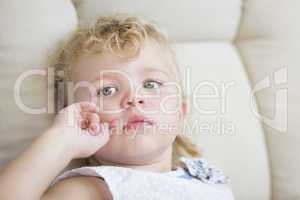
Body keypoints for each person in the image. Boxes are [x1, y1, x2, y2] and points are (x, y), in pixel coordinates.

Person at [0, 14, 234, 200]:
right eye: (107, 90)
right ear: (81, 119)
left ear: (181, 112)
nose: (133, 98)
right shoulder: (94, 188)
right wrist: (62, 139)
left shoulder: (206, 177)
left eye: (151, 84)